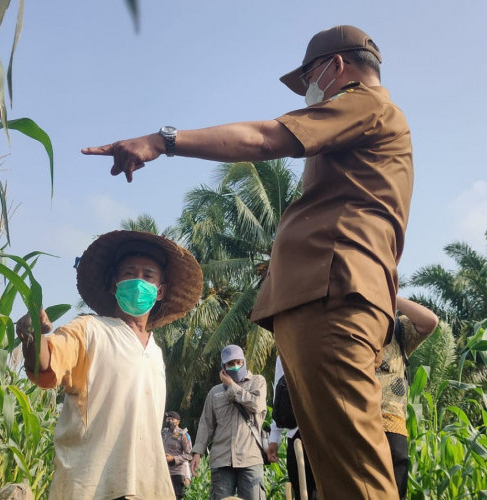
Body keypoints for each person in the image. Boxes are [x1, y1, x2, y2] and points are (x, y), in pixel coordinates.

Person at [83, 25, 413, 499]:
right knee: (337, 471)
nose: (309, 97)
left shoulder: (369, 104)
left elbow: (262, 138)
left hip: (335, 296)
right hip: (321, 299)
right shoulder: (359, 125)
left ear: (336, 66)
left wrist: (163, 140)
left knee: (357, 472)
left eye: (309, 82)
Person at [16, 230, 203, 500]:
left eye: (148, 276)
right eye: (129, 273)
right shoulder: (90, 331)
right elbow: (44, 364)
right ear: (115, 284)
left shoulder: (155, 353)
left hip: (147, 488)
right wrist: (33, 337)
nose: (138, 281)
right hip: (92, 487)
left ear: (160, 291)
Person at [379, 297, 439, 499]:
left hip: (391, 427)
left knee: (393, 492)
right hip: (351, 424)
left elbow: (430, 321)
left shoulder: (398, 329)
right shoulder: (345, 325)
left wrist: (391, 295)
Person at [191, 345, 267, 500]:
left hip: (250, 458)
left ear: (244, 362)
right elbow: (206, 424)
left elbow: (257, 405)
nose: (235, 366)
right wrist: (197, 452)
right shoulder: (215, 393)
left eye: (238, 362)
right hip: (222, 460)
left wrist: (232, 386)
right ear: (223, 367)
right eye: (230, 364)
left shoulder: (257, 382)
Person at [267, 356, 317, 500]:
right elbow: (280, 393)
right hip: (297, 434)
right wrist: (274, 438)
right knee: (302, 492)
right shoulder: (284, 351)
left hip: (327, 433)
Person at [162, 410, 193, 499]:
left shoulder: (183, 435)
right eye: (168, 419)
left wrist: (174, 459)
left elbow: (189, 454)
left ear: (178, 421)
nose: (169, 421)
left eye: (172, 419)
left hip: (177, 472)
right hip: (164, 471)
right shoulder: (163, 434)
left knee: (176, 496)